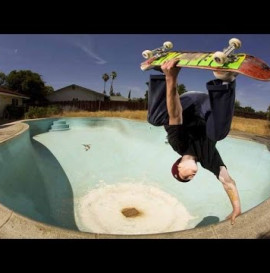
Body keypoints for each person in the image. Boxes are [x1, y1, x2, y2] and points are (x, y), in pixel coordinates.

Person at [147, 59, 241, 225]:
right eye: (189, 179)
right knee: (218, 134)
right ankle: (225, 81)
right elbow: (228, 182)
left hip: (188, 103)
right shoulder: (208, 160)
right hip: (208, 107)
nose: (190, 177)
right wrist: (236, 208)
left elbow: (175, 114)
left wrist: (171, 78)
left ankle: (163, 75)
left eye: (184, 177)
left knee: (156, 119)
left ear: (179, 166)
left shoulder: (178, 144)